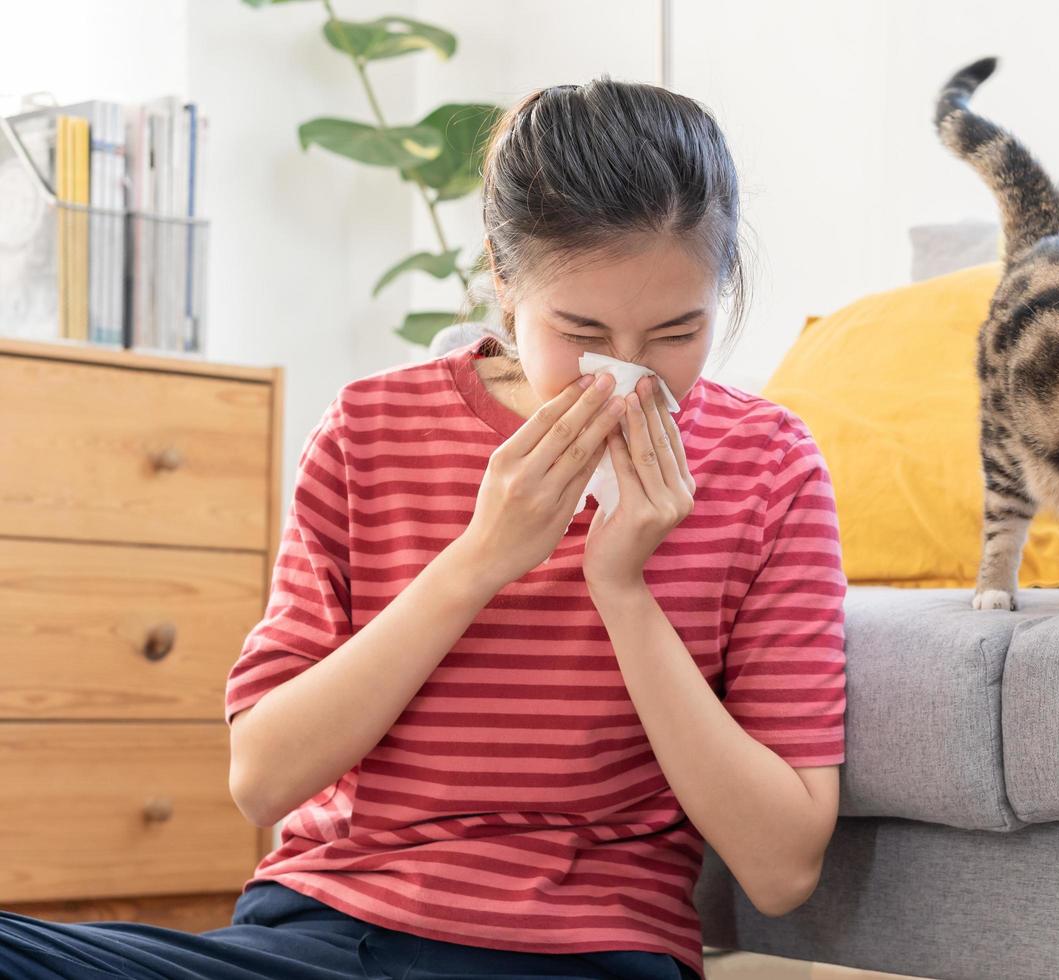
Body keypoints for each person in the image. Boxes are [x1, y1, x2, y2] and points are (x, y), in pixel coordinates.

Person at [0, 76, 847, 980]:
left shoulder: (767, 467)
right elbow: (263, 777)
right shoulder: (370, 429)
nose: (626, 381)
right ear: (501, 279)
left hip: (581, 954)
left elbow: (780, 867)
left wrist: (623, 591)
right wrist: (479, 560)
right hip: (320, 934)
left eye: (678, 334)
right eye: (582, 332)